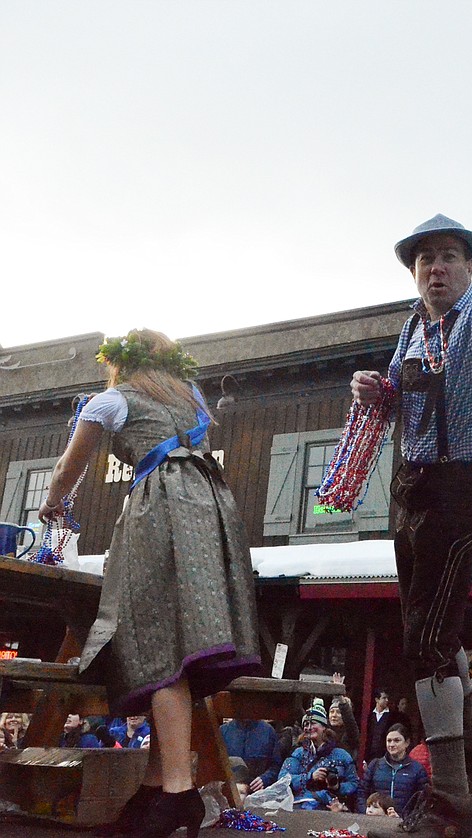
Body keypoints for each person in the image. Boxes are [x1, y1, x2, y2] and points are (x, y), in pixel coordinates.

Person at [349, 183, 472, 838]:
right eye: (425, 260)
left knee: (432, 641)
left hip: (463, 484)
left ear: (467, 267)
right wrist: (377, 389)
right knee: (425, 638)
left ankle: (449, 799)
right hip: (410, 486)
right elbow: (404, 401)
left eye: (448, 258)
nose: (436, 268)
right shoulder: (412, 329)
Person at [38, 327, 261, 838]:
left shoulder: (110, 400)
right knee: (186, 646)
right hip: (211, 505)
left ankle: (179, 793)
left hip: (159, 509)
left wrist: (54, 502)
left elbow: (70, 468)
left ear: (119, 363)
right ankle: (158, 786)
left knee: (157, 642)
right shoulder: (192, 398)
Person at [279, 700, 360, 812]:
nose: (308, 727)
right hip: (300, 807)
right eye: (306, 725)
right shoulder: (298, 753)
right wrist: (310, 777)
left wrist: (337, 787)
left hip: (332, 808)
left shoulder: (342, 755)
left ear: (324, 727)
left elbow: (354, 784)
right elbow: (283, 779)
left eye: (313, 723)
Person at [359, 723, 429, 818]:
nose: (392, 744)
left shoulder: (417, 769)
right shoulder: (375, 765)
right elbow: (362, 793)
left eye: (397, 740)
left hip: (403, 824)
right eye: (389, 741)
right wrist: (366, 812)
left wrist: (407, 819)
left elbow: (423, 801)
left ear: (407, 743)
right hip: (375, 822)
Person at [220, 717, 283, 793]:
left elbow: (276, 766)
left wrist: (265, 779)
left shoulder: (268, 732)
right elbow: (214, 765)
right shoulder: (223, 731)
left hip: (258, 793)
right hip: (229, 791)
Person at [368, 688, 410, 763]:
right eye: (384, 698)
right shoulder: (369, 715)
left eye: (387, 698)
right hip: (370, 756)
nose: (387, 700)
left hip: (386, 756)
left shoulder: (393, 716)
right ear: (377, 700)